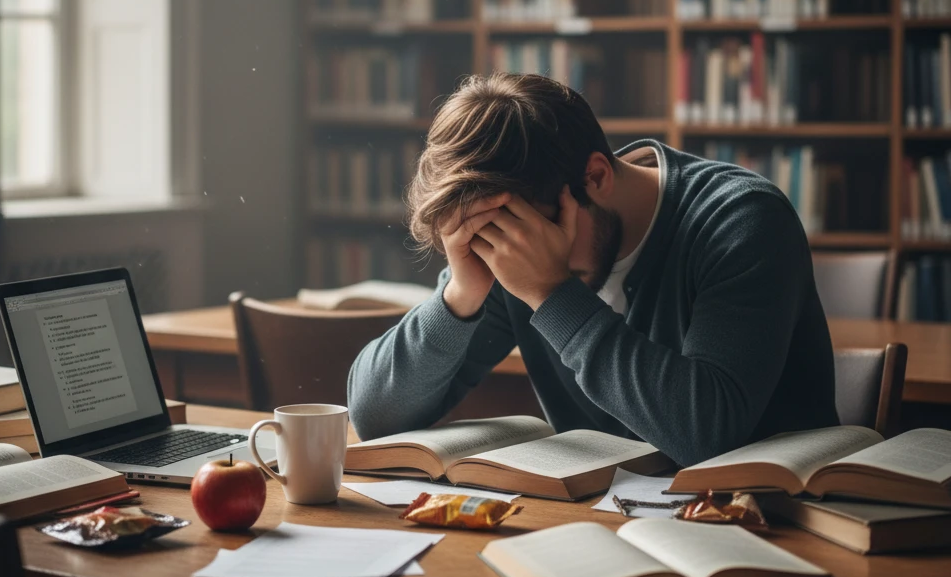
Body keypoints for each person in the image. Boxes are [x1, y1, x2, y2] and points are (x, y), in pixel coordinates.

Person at [347, 73, 837, 466]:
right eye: (490, 243)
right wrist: (460, 295)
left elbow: (705, 436)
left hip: (765, 529)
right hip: (602, 523)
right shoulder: (506, 248)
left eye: (531, 238)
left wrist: (551, 292)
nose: (518, 259)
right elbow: (373, 416)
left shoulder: (742, 220)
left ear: (597, 176)